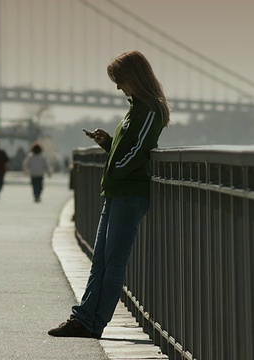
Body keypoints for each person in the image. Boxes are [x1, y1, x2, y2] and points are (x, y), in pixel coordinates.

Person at [48, 50, 170, 339]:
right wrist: (108, 143)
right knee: (101, 260)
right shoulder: (136, 107)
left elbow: (138, 152)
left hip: (129, 195)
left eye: (119, 80)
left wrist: (114, 171)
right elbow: (127, 150)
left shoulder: (150, 109)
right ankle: (84, 318)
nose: (117, 87)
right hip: (117, 192)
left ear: (134, 77)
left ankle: (92, 322)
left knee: (113, 262)